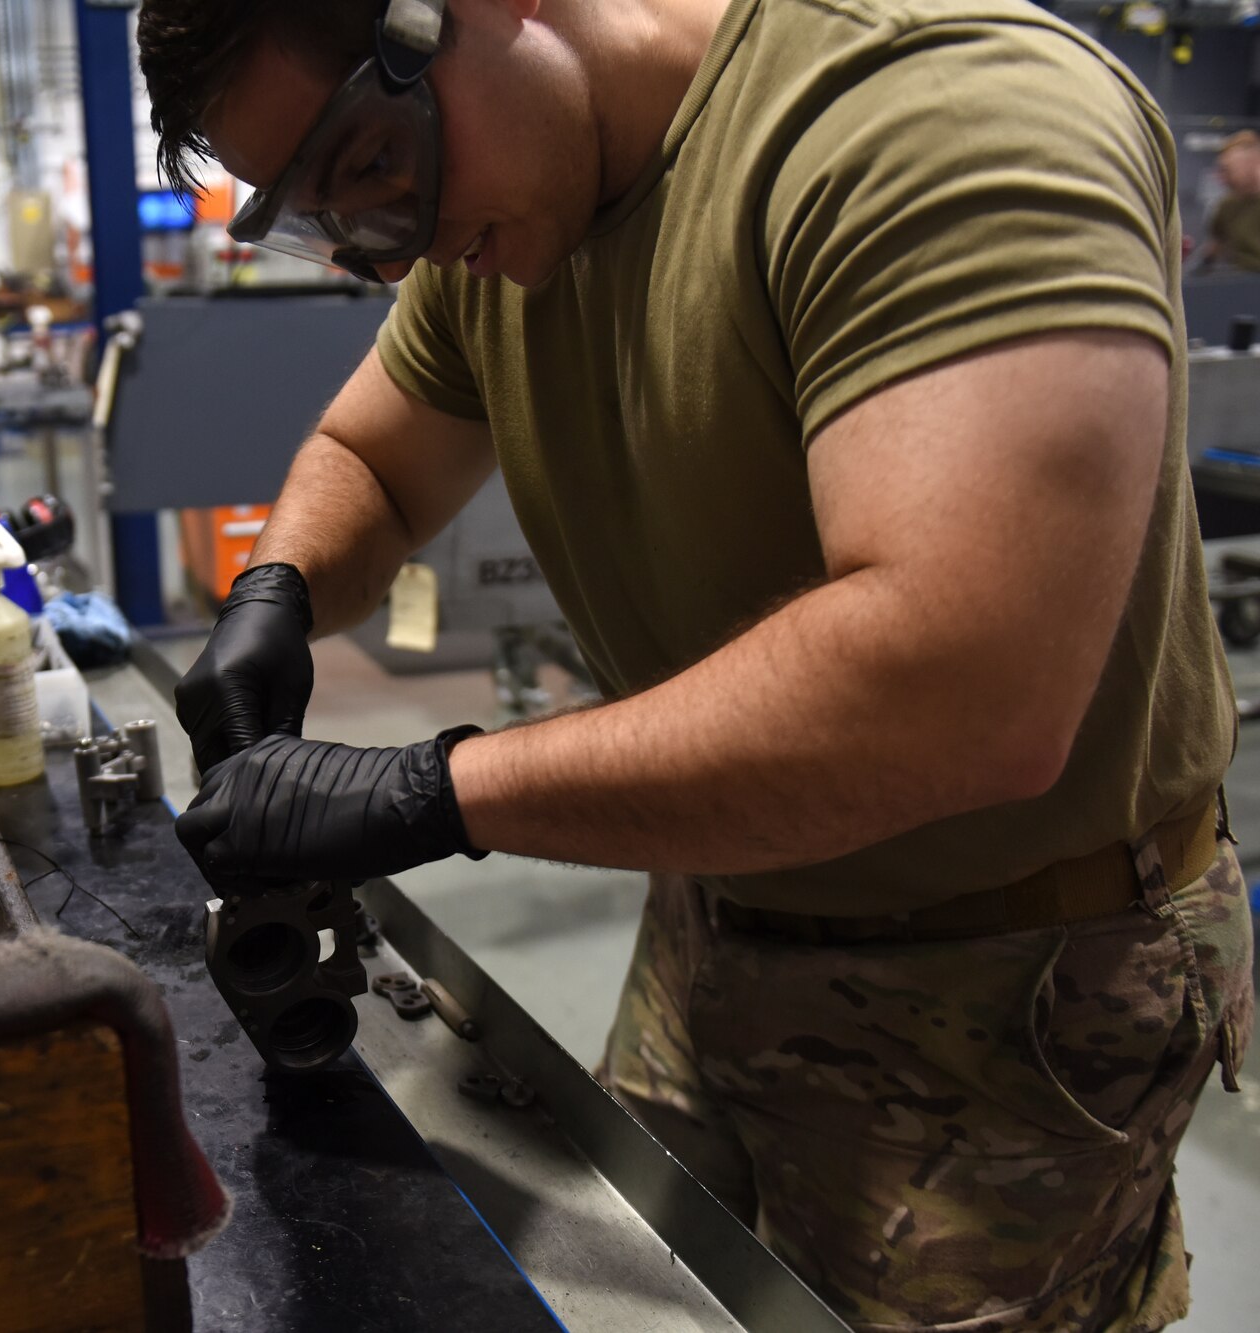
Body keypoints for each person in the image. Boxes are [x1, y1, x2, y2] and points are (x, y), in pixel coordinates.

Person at [137, 0, 1256, 1328]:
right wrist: (279, 589)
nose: (393, 251)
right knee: (655, 1294)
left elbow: (961, 694)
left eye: (373, 162)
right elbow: (374, 459)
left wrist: (432, 790)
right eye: (329, 217)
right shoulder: (497, 213)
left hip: (1005, 972)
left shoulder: (928, 117)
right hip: (716, 911)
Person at [1203, 129, 1260, 273]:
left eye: (1227, 170)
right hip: (1239, 284)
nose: (1221, 178)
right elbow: (1215, 247)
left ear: (1253, 164)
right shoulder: (1226, 206)